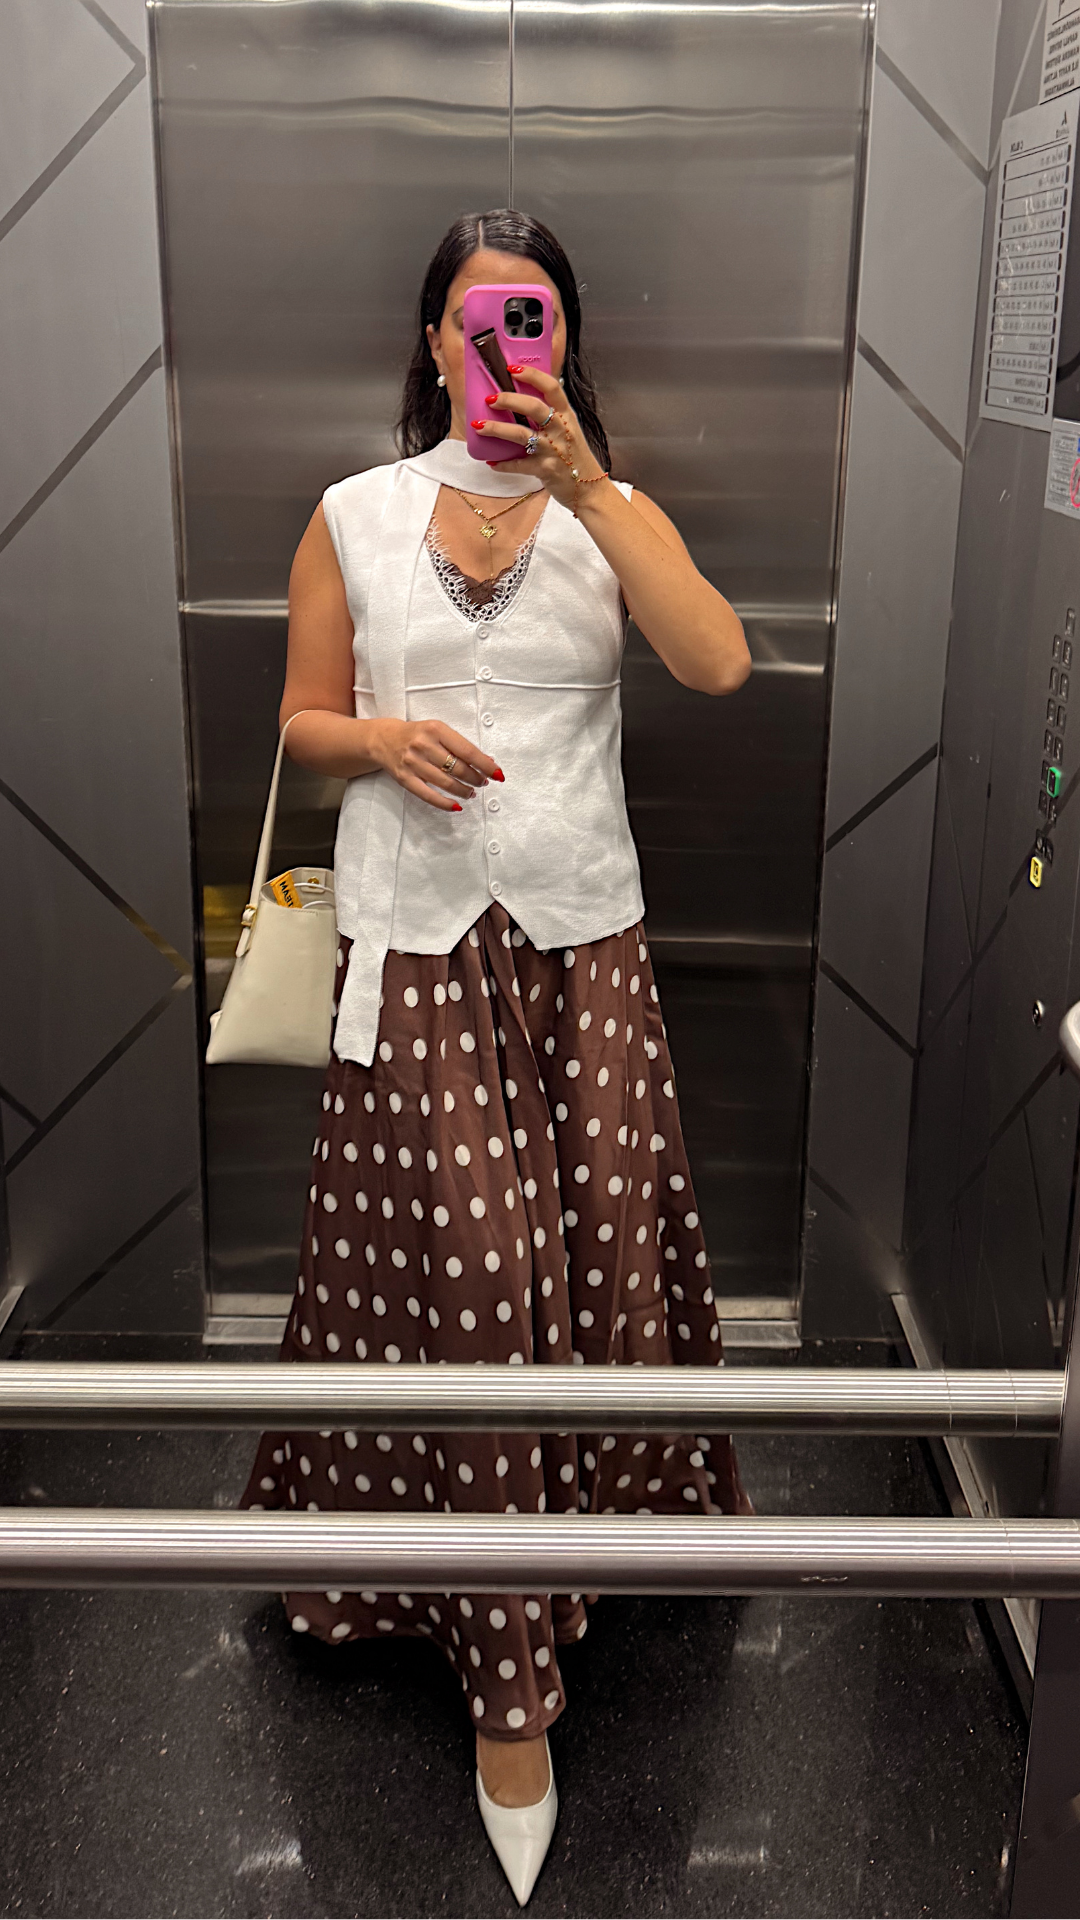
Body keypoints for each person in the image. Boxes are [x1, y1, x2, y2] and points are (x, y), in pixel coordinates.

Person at [240, 206, 753, 1906]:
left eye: (531, 319)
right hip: (415, 947)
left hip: (580, 948)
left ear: (564, 340)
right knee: (470, 1272)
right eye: (477, 321)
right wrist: (378, 739)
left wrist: (594, 483)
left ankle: (592, 1555)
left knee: (593, 1261)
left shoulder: (615, 513)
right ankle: (508, 1689)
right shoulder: (354, 514)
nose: (502, 348)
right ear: (432, 343)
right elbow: (303, 728)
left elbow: (719, 660)